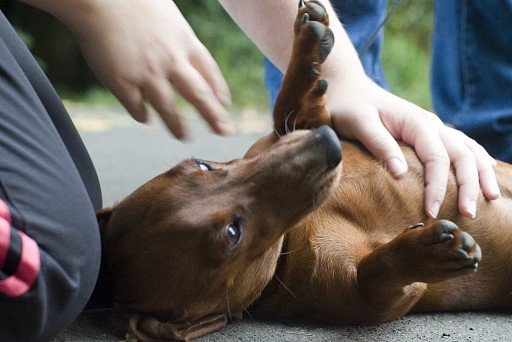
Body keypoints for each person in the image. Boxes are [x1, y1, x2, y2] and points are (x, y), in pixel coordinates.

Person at [0, 0, 500, 340]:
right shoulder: (307, 282)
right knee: (57, 267)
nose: (285, 160)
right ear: (186, 322)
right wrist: (401, 261)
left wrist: (329, 76)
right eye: (233, 232)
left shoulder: (264, 167)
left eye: (204, 168)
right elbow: (377, 294)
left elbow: (301, 129)